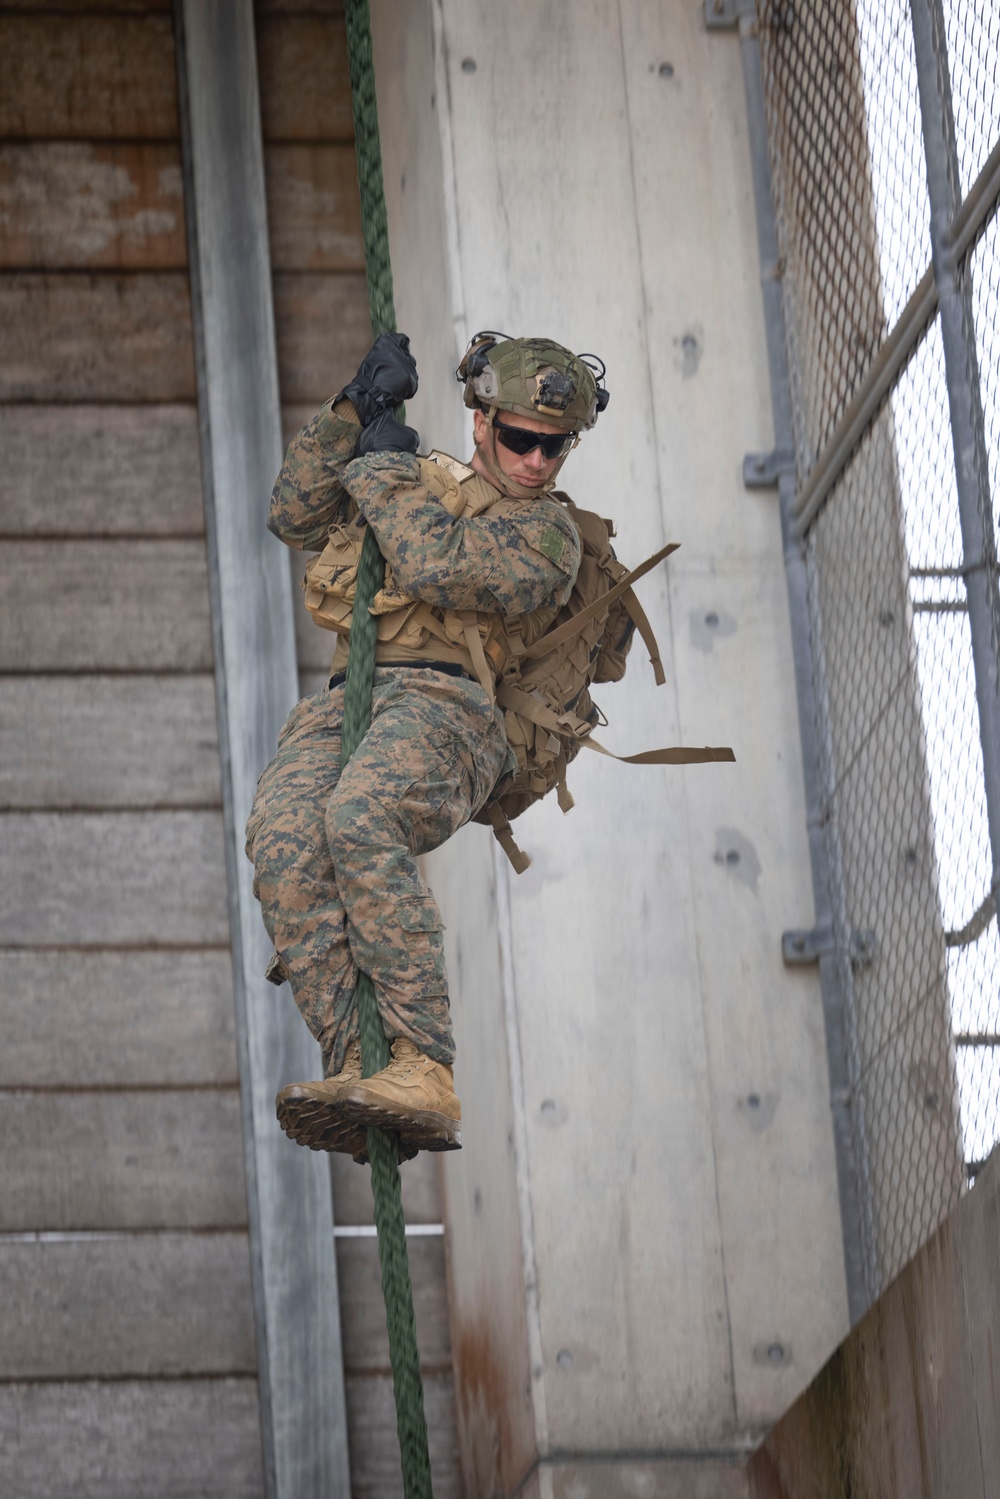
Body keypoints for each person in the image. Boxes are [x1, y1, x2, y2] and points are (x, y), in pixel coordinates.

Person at [246, 330, 632, 1163]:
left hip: (455, 704)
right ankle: (362, 1059)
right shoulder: (414, 478)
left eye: (553, 445)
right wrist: (354, 412)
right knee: (283, 839)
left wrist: (381, 468)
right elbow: (292, 514)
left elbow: (434, 561)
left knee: (362, 813)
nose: (535, 460)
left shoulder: (550, 538)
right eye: (521, 437)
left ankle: (423, 1062)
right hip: (357, 690)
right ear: (482, 419)